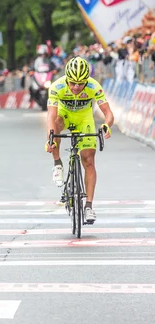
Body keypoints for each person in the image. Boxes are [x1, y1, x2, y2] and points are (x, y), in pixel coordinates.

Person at [45, 56, 114, 223]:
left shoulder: (93, 86)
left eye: (80, 83)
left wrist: (106, 125)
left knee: (89, 160)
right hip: (64, 115)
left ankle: (89, 206)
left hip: (84, 119)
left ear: (86, 81)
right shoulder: (57, 86)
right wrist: (50, 138)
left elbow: (108, 113)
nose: (76, 87)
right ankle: (57, 164)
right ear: (67, 79)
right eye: (73, 83)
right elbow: (51, 115)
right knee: (55, 128)